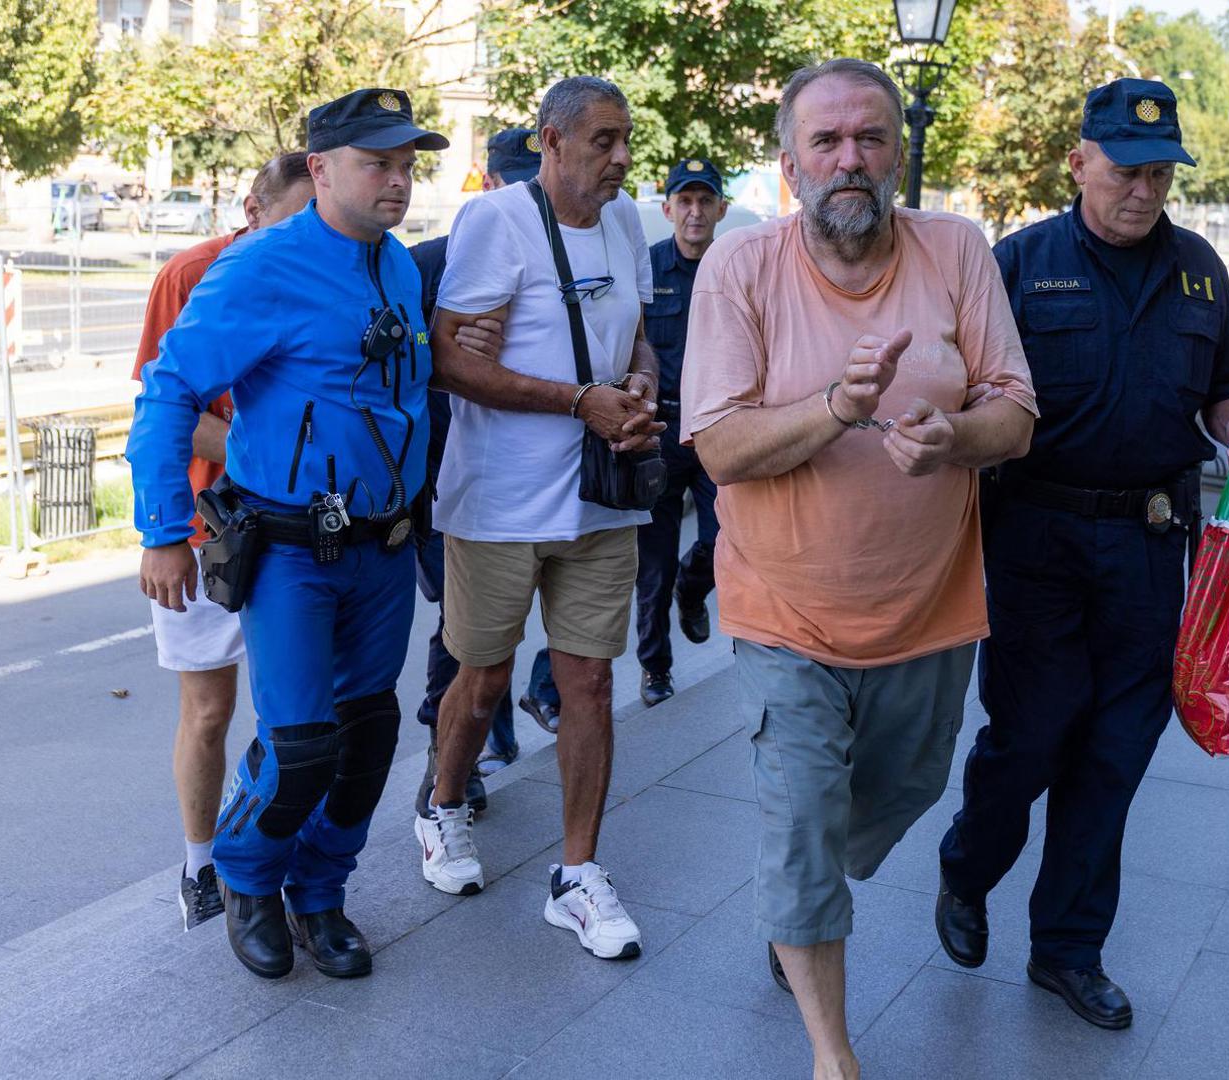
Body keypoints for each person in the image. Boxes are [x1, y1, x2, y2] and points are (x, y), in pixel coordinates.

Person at [683, 59, 1037, 1080]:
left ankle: (804, 903)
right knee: (800, 822)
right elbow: (718, 448)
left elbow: (1015, 414)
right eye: (827, 142)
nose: (851, 158)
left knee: (897, 794)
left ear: (896, 152)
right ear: (790, 164)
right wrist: (836, 409)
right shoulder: (741, 268)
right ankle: (832, 1051)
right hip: (782, 606)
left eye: (870, 138)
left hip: (928, 610)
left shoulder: (956, 249)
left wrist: (956, 435)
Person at [934, 78, 1229, 1030]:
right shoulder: (1018, 264)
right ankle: (968, 867)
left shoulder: (1200, 270)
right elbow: (964, 393)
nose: (1144, 191)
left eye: (1160, 174)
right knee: (1033, 733)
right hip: (1035, 537)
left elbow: (1225, 390)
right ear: (1078, 161)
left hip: (1151, 544)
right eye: (1126, 170)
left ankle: (1067, 950)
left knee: (1115, 752)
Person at [131, 88, 447, 980]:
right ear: (320, 169)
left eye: (406, 164)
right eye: (377, 163)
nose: (398, 181)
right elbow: (167, 392)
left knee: (368, 735)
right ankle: (247, 877)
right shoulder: (263, 265)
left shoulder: (395, 266)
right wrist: (163, 529)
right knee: (302, 740)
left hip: (383, 549)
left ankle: (321, 890)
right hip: (291, 552)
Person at [416, 76, 660, 962]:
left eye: (623, 138)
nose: (619, 157)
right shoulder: (495, 222)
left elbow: (636, 334)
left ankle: (577, 874)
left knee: (589, 683)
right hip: (499, 501)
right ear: (551, 142)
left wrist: (638, 386)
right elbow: (449, 362)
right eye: (601, 140)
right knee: (480, 680)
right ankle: (443, 806)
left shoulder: (628, 219)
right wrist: (577, 400)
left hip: (602, 498)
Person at [132, 152, 313, 931]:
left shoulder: (341, 269)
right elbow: (162, 399)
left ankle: (267, 858)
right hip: (213, 532)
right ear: (253, 208)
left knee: (299, 715)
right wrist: (165, 532)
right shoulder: (192, 272)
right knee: (209, 712)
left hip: (307, 538)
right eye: (296, 214)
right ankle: (200, 863)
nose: (311, 231)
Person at [408, 127, 550, 824]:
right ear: (490, 185)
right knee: (458, 630)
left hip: (520, 482)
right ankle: (449, 760)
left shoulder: (560, 263)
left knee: (489, 633)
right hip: (437, 484)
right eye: (516, 182)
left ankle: (469, 750)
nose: (530, 196)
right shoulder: (420, 265)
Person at [633, 158, 726, 707]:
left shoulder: (735, 267)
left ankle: (693, 594)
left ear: (720, 209)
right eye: (684, 201)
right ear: (668, 209)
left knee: (723, 541)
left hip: (717, 430)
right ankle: (655, 668)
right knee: (654, 562)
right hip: (661, 433)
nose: (694, 211)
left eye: (704, 201)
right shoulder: (645, 272)